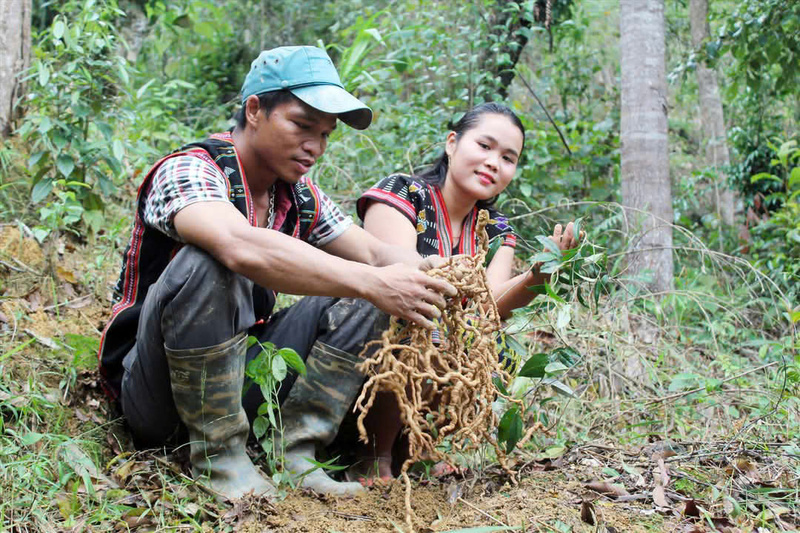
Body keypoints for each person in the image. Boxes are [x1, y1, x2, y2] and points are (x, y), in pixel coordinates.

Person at [97, 46, 456, 501]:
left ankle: (297, 450)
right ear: (254, 111)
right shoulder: (190, 169)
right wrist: (372, 281)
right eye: (302, 125)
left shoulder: (298, 194)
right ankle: (220, 458)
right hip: (155, 392)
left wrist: (432, 271)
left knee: (374, 291)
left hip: (239, 377)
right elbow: (237, 244)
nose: (315, 146)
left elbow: (372, 251)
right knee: (209, 260)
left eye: (325, 134)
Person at [348, 102, 580, 482]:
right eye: (484, 146)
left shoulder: (497, 229)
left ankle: (418, 446)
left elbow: (490, 306)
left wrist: (540, 274)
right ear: (452, 143)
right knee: (417, 319)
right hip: (363, 353)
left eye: (508, 157)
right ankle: (374, 452)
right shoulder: (403, 192)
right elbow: (396, 272)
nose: (494, 162)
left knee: (480, 338)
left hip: (436, 351)